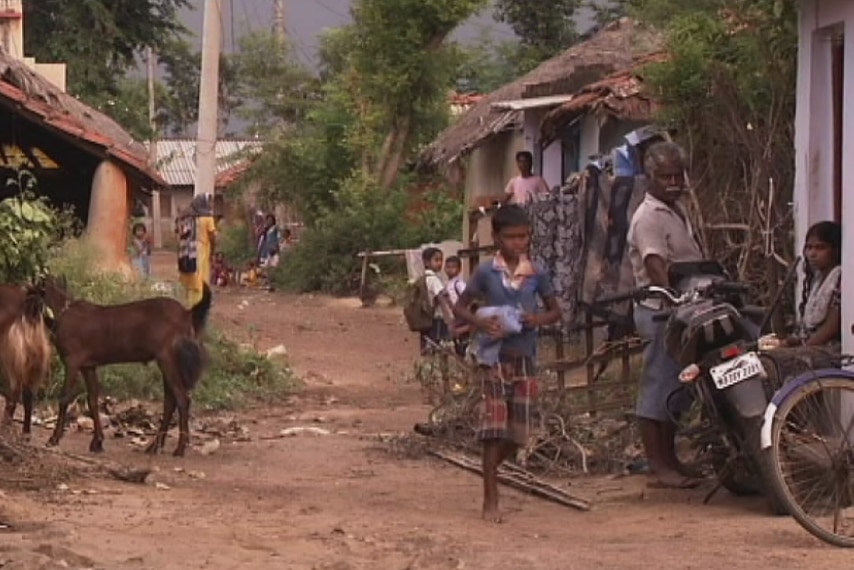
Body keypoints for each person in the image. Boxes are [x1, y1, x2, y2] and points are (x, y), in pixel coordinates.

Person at [454, 205, 561, 522]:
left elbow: (556, 311)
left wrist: (536, 318)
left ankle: (488, 470)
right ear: (496, 237)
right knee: (494, 429)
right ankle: (491, 498)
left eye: (524, 236)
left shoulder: (535, 274)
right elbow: (460, 308)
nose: (519, 243)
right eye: (512, 237)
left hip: (525, 356)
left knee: (519, 434)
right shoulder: (486, 272)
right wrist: (481, 323)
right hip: (494, 358)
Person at [626, 141, 705, 490]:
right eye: (666, 177)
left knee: (678, 384)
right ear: (650, 178)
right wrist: (675, 299)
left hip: (683, 308)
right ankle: (658, 465)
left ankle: (670, 458)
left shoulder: (676, 208)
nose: (674, 183)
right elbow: (654, 263)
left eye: (678, 176)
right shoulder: (648, 217)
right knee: (658, 385)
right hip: (661, 310)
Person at [782, 221, 842, 348]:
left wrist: (802, 349)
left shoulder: (840, 279)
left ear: (835, 250)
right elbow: (805, 328)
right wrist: (788, 342)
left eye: (820, 247)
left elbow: (832, 327)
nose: (812, 254)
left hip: (830, 351)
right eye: (809, 247)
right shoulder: (817, 279)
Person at [176, 193, 217, 306]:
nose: (211, 204)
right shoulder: (208, 218)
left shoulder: (187, 216)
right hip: (201, 249)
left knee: (189, 273)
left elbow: (179, 232)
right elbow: (212, 237)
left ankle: (186, 300)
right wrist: (213, 251)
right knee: (200, 275)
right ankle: (198, 302)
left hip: (187, 248)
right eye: (210, 202)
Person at [420, 247, 449, 354]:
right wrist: (448, 318)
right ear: (427, 262)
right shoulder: (434, 279)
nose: (440, 263)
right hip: (437, 318)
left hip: (426, 318)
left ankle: (426, 368)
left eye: (441, 260)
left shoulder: (423, 278)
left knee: (426, 346)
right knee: (438, 346)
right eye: (436, 260)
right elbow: (441, 298)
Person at [444, 256, 470, 356]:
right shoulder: (448, 284)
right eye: (448, 267)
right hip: (454, 317)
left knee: (463, 341)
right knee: (456, 341)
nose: (450, 270)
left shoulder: (459, 284)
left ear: (459, 269)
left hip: (462, 317)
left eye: (453, 267)